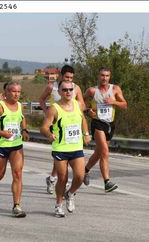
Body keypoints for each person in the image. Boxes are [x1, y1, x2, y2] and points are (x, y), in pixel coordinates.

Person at [40, 81, 91, 217]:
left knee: (80, 176)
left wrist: (86, 134)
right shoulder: (54, 109)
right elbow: (44, 127)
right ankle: (58, 205)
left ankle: (70, 193)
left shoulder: (77, 104)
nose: (68, 92)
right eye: (65, 90)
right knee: (62, 178)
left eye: (70, 90)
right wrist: (49, 135)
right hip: (61, 148)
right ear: (59, 92)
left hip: (76, 147)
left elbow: (83, 119)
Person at [0, 81, 30, 218]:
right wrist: (1, 133)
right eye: (13, 91)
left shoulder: (20, 106)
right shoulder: (0, 107)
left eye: (18, 92)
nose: (16, 94)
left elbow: (22, 119)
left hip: (16, 144)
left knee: (17, 173)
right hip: (1, 145)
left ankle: (17, 206)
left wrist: (24, 130)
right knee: (0, 174)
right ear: (7, 93)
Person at [39, 64, 86, 195]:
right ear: (61, 76)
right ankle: (56, 180)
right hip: (56, 123)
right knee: (61, 154)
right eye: (67, 77)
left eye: (71, 77)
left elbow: (82, 103)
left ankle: (53, 179)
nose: (69, 80)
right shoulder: (51, 87)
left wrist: (80, 108)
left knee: (63, 158)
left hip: (71, 123)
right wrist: (46, 111)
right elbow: (41, 99)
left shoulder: (75, 88)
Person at [83, 67, 128, 192]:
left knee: (99, 153)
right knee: (105, 152)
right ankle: (107, 182)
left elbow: (124, 105)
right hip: (97, 123)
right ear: (98, 76)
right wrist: (87, 111)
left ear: (110, 77)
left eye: (107, 76)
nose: (104, 78)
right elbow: (79, 103)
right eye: (102, 75)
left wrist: (114, 102)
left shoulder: (115, 89)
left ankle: (85, 171)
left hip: (110, 124)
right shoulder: (92, 91)